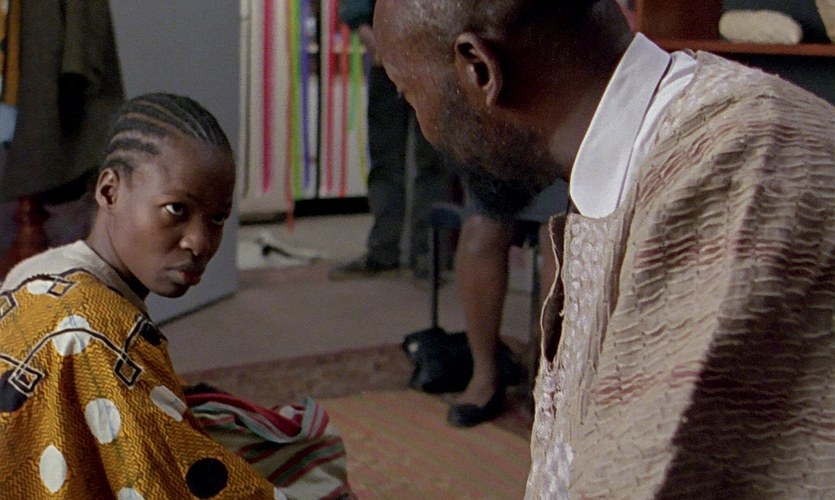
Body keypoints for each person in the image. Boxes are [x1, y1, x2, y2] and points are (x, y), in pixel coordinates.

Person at [372, 0, 835, 497]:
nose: (424, 126)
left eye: (409, 93)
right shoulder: (640, 157)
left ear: (479, 70)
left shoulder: (735, 170)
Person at [0, 93, 352, 499]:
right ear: (109, 191)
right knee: (311, 458)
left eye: (217, 218)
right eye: (176, 210)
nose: (199, 242)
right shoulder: (97, 329)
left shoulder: (38, 270)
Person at [330, 0, 452, 280]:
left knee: (431, 163)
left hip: (432, 61)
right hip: (388, 59)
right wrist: (375, 41)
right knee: (389, 160)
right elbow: (356, 8)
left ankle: (425, 255)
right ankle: (387, 252)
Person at [448, 180, 566, 428]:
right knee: (479, 231)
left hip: (570, 168)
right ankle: (485, 372)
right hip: (511, 162)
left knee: (559, 235)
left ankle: (547, 371)